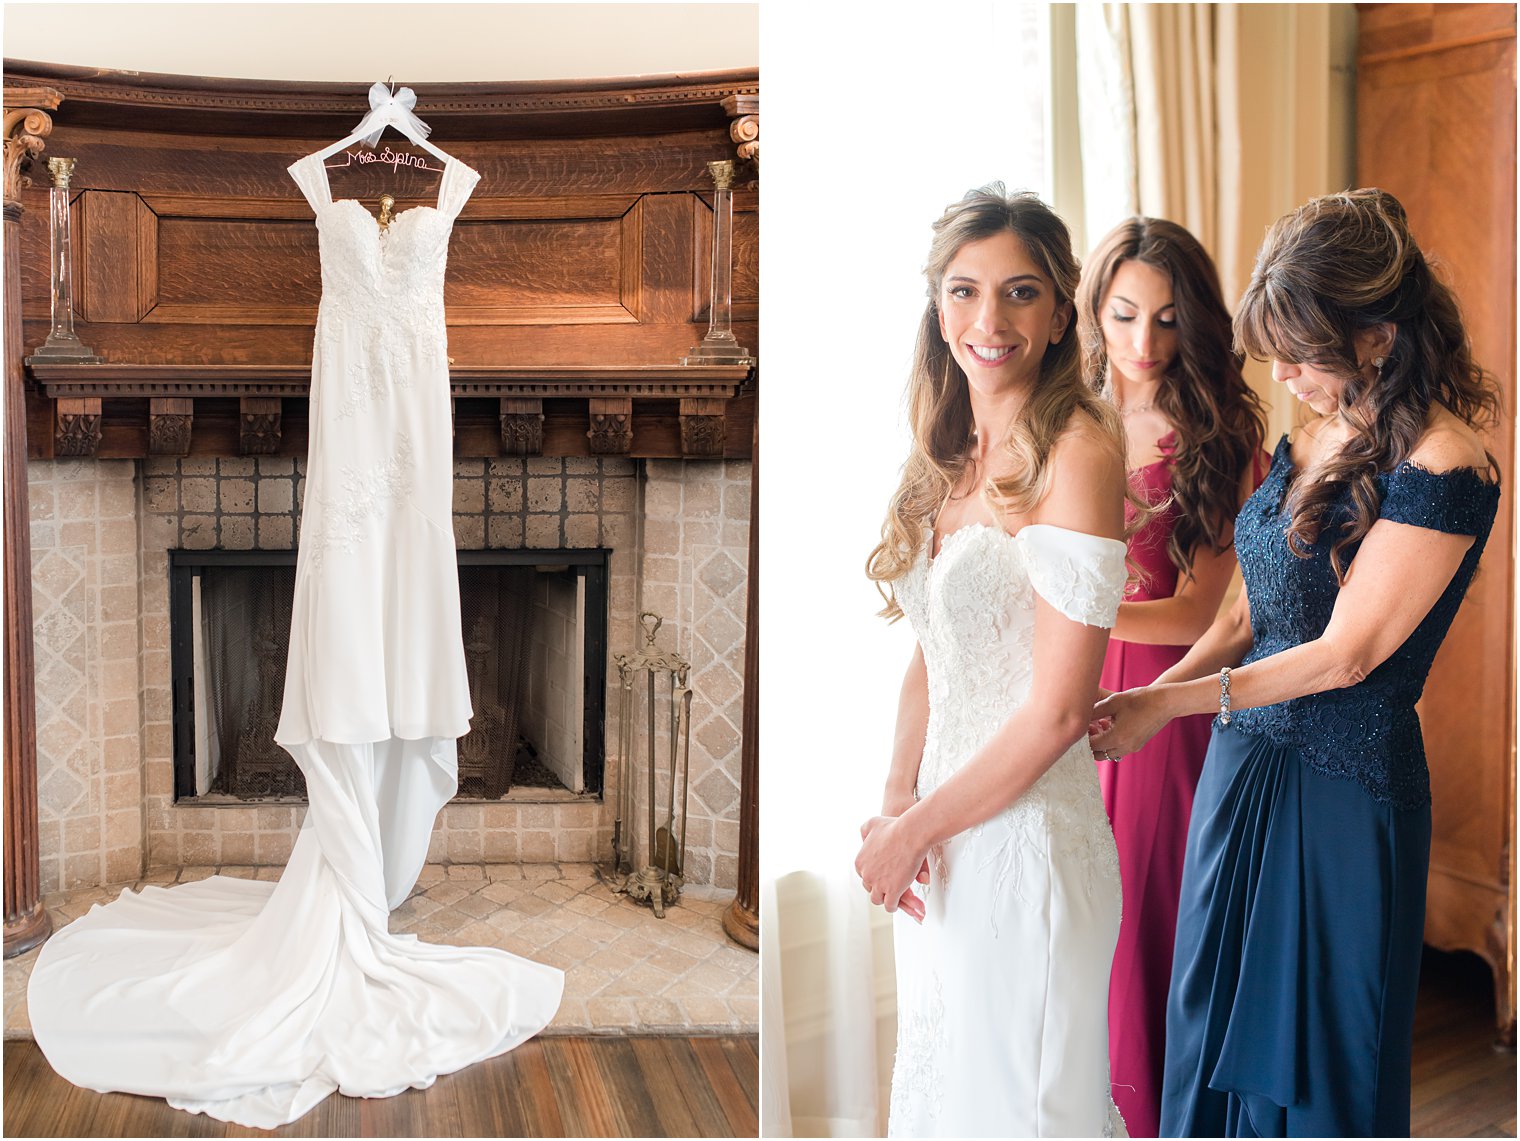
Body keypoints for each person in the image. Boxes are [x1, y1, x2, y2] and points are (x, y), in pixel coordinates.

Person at [1089, 187, 1501, 1137]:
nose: (1280, 374)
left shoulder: (1446, 464)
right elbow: (1243, 608)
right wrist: (1150, 697)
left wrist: (1178, 704)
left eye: (1297, 351)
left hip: (1345, 794)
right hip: (1243, 775)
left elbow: (1347, 654)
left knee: (1319, 1072)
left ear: (1376, 336)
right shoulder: (1311, 432)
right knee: (1204, 1027)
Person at [857, 184, 1130, 1137]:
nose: (990, 319)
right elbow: (934, 652)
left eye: (1020, 293)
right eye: (965, 290)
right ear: (939, 308)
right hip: (945, 853)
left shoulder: (1077, 454)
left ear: (1061, 311)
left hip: (1030, 854)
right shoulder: (948, 450)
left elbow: (1059, 713)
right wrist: (898, 805)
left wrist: (913, 827)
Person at [1075, 217, 1267, 1138]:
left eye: (1165, 320)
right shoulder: (1063, 414)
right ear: (1094, 312)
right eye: (1122, 316)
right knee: (1070, 918)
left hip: (1163, 700)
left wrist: (1071, 605)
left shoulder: (1218, 438)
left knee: (1140, 925)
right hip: (1059, 687)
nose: (1143, 343)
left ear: (1196, 323)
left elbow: (1202, 613)